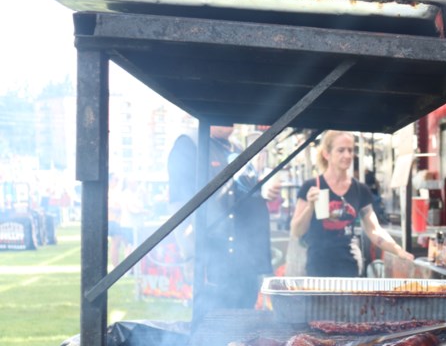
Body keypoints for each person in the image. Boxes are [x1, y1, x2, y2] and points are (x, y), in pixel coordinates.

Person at [167, 125, 279, 320]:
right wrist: (190, 254)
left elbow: (243, 194)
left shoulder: (236, 149)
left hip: (245, 265)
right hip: (212, 264)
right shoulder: (189, 143)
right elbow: (179, 203)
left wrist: (264, 191)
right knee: (212, 325)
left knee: (244, 327)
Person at [290, 130, 413, 276]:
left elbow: (374, 230)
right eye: (341, 150)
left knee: (349, 300)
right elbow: (296, 231)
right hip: (318, 265)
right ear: (327, 154)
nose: (347, 155)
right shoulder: (311, 186)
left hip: (349, 265)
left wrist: (397, 250)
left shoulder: (360, 189)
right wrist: (310, 207)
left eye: (350, 150)